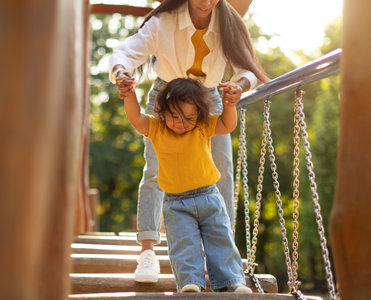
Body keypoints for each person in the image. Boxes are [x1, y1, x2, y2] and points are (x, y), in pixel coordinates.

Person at [109, 0, 269, 282]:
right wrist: (122, 72)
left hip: (208, 99)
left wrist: (238, 87)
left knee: (221, 172)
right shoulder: (164, 23)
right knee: (156, 171)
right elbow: (125, 52)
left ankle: (221, 258)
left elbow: (247, 70)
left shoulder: (228, 23)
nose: (206, 2)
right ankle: (147, 252)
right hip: (167, 98)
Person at [119, 77, 252, 293]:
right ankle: (190, 282)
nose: (181, 123)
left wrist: (229, 104)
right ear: (162, 111)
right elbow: (135, 117)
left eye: (189, 117)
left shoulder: (202, 126)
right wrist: (129, 94)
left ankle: (232, 281)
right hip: (176, 203)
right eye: (175, 116)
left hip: (209, 196)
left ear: (199, 113)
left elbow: (228, 124)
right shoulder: (156, 128)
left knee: (220, 238)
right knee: (183, 244)